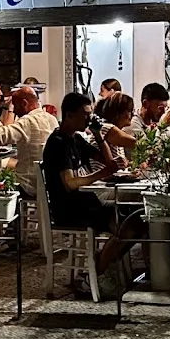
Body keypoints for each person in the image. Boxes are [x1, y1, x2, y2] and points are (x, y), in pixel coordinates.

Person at [41, 93, 146, 295]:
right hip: (70, 208)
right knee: (128, 227)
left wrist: (98, 135)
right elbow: (70, 183)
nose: (90, 118)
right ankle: (95, 274)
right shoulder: (58, 143)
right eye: (86, 115)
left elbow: (107, 161)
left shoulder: (76, 139)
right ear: (70, 115)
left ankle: (102, 263)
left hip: (86, 201)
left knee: (137, 221)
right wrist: (103, 173)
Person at [0, 86, 58, 197]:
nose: (16, 111)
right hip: (47, 182)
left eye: (16, 106)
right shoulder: (52, 119)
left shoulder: (27, 121)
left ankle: (0, 213)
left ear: (24, 103)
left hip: (27, 184)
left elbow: (0, 135)